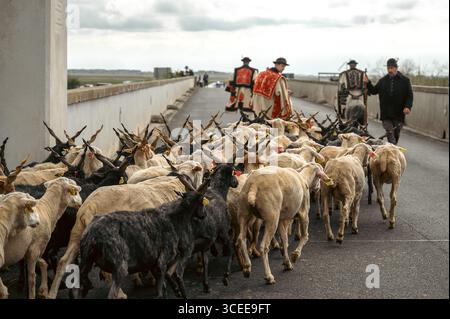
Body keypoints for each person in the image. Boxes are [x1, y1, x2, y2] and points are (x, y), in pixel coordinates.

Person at [367, 58, 414, 145]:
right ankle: (392, 149)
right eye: (388, 68)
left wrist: (408, 107)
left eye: (392, 68)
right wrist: (368, 83)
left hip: (399, 114)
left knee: (396, 135)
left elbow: (410, 96)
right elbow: (374, 91)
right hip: (386, 114)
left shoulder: (405, 81)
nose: (390, 70)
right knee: (390, 133)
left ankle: (392, 150)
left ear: (396, 68)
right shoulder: (382, 81)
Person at [338, 59, 368, 125]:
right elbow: (366, 85)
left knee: (344, 106)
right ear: (355, 65)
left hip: (350, 96)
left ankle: (343, 118)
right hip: (360, 96)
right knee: (363, 106)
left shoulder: (344, 74)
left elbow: (341, 87)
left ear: (349, 65)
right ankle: (363, 121)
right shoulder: (362, 73)